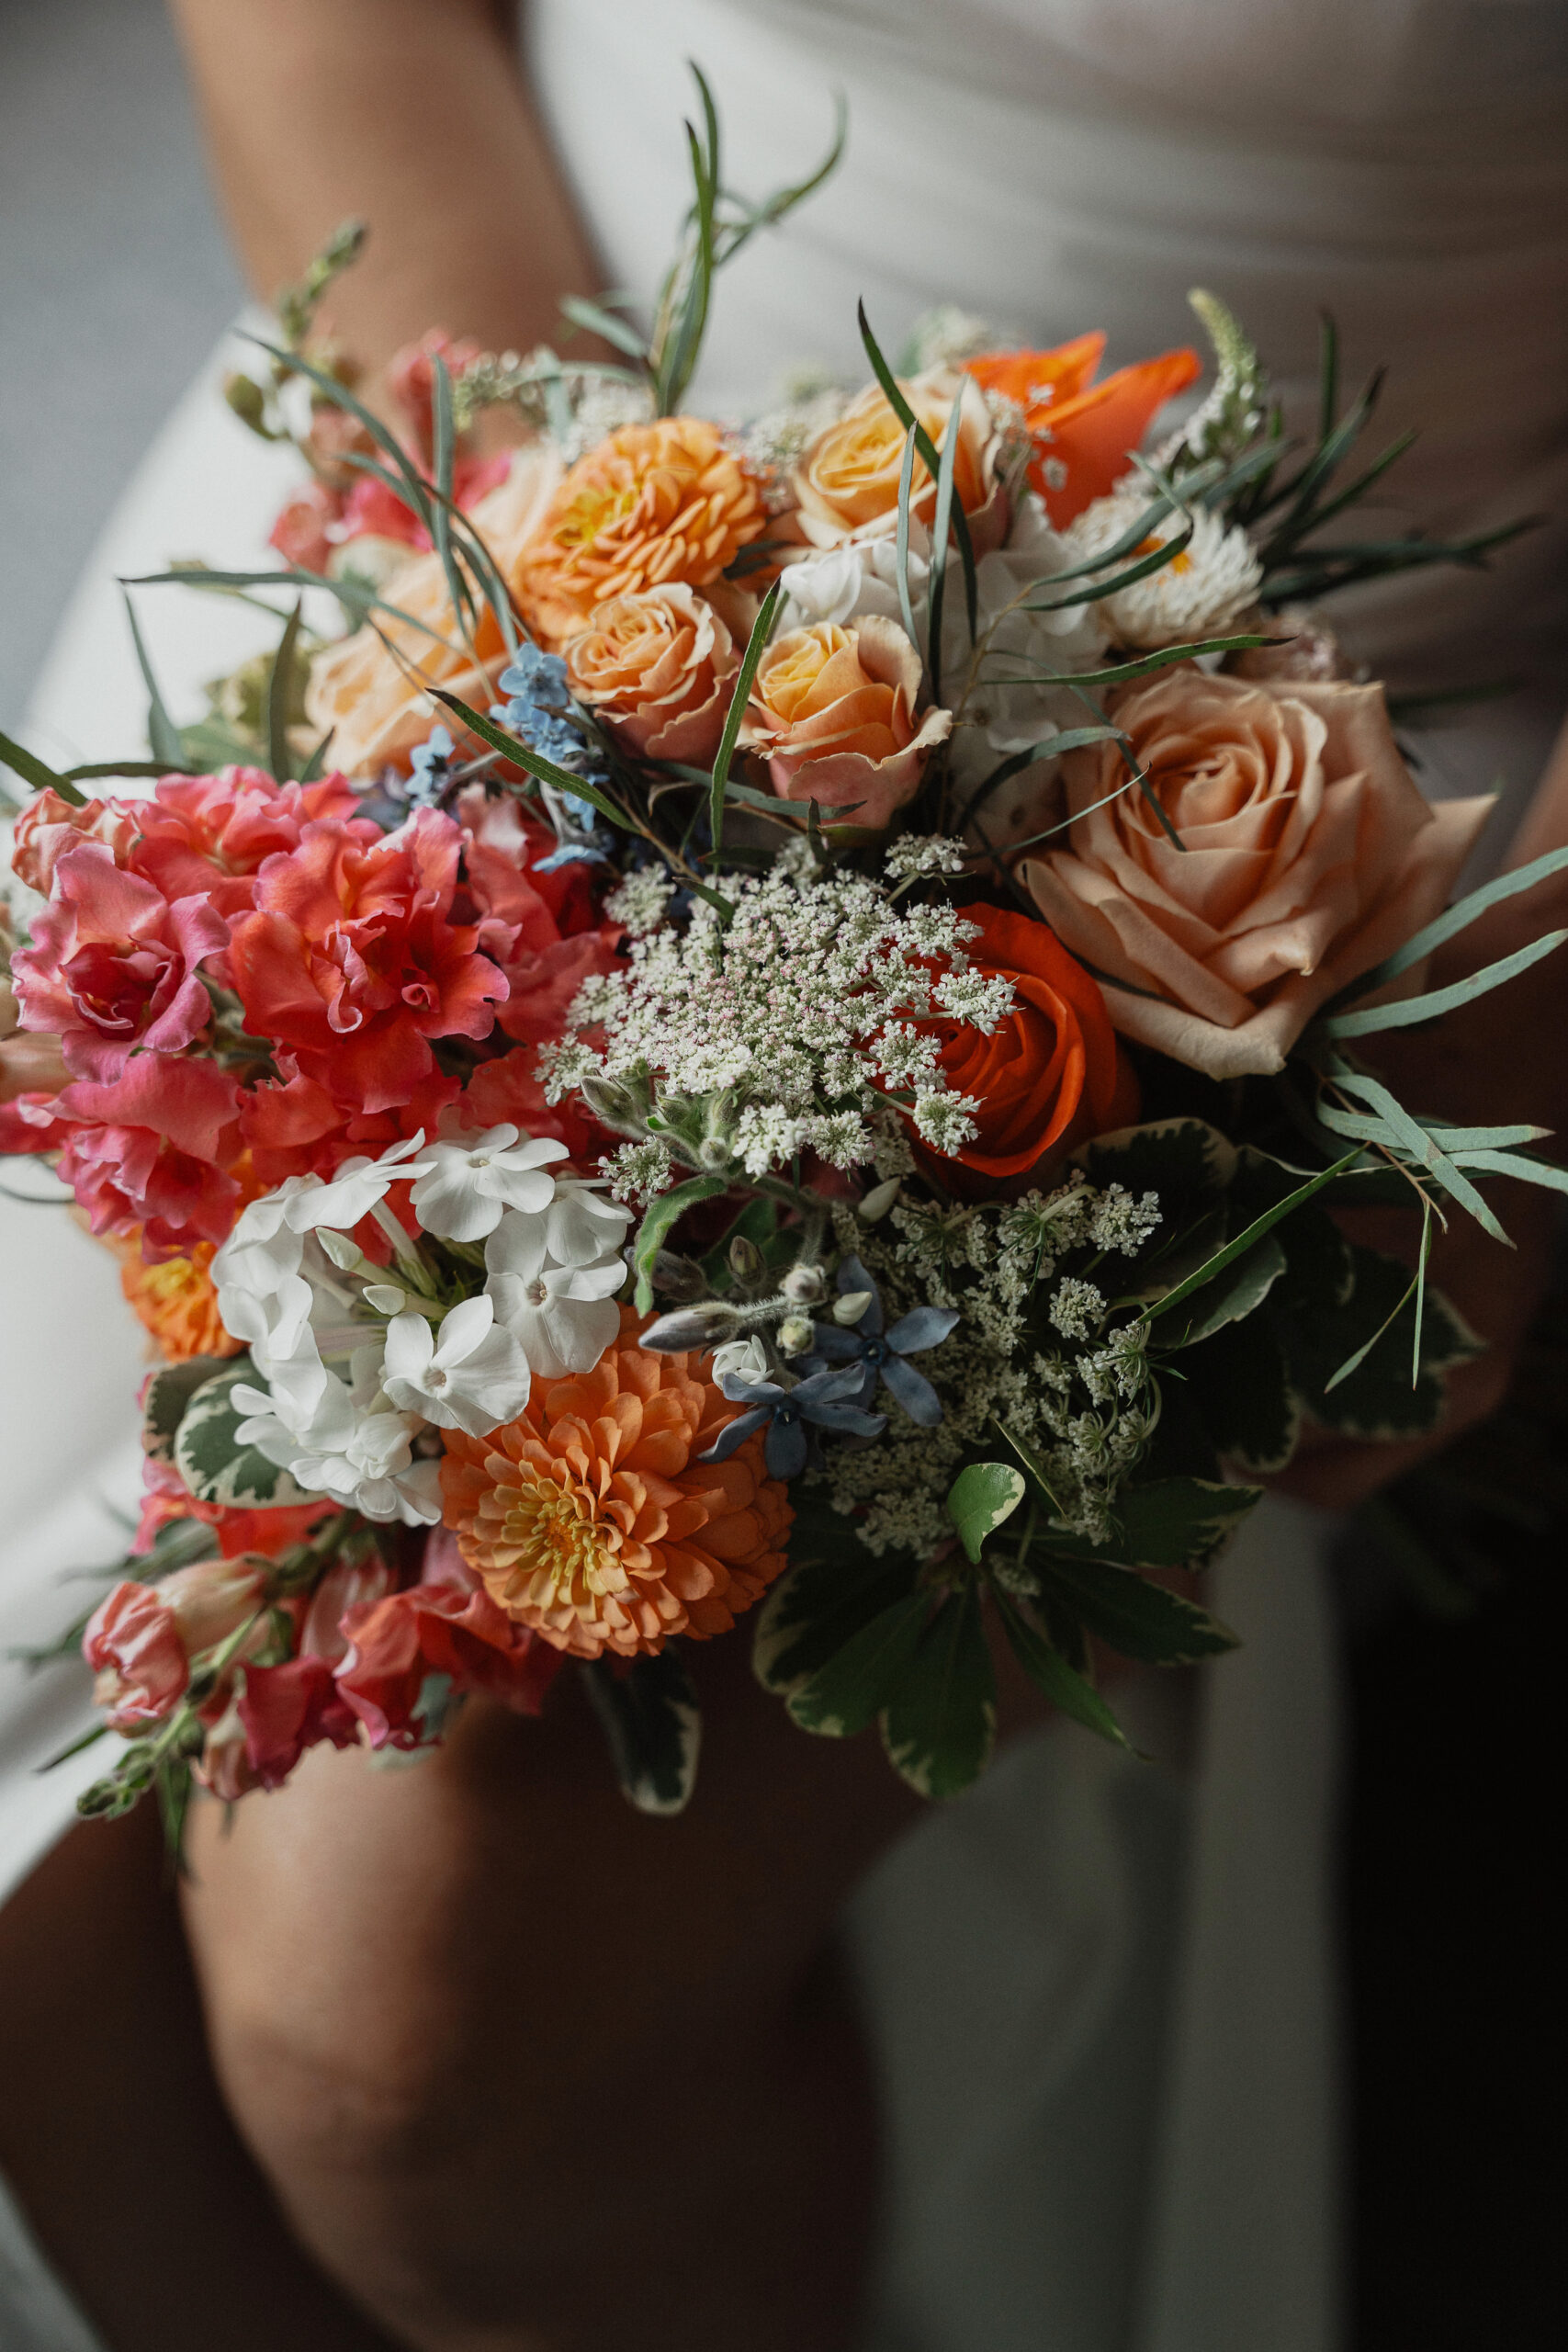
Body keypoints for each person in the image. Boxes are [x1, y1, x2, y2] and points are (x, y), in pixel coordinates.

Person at [2, 3, 1565, 2346]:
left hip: (1296, 723)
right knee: (60, 1985)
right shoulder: (526, 547)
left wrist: (1498, 1043)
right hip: (510, 419)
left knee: (400, 2044)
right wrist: (544, 640)